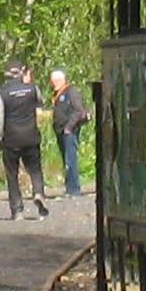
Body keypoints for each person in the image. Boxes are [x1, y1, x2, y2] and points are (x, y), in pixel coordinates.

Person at [0, 62, 49, 218]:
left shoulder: (2, 93)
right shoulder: (33, 89)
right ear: (21, 73)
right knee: (35, 169)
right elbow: (41, 102)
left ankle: (17, 209)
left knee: (12, 174)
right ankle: (38, 193)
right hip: (31, 136)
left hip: (11, 139)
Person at [52, 68, 89, 197]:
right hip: (60, 131)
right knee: (66, 160)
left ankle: (74, 189)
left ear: (62, 80)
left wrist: (69, 127)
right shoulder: (57, 93)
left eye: (56, 80)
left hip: (70, 132)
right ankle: (69, 187)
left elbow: (79, 111)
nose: (54, 83)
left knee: (70, 160)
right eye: (53, 81)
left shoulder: (71, 92)